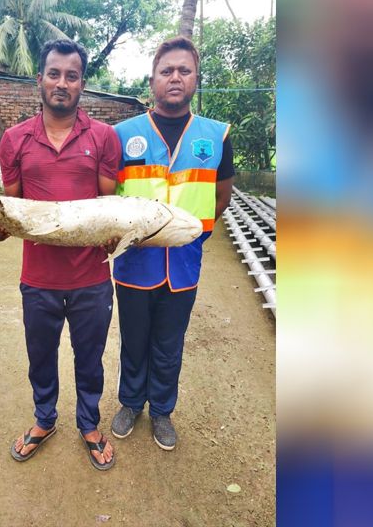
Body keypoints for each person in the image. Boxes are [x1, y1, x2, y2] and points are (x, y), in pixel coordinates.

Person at [0, 39, 122, 471]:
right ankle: (44, 419)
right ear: (39, 79)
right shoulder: (14, 139)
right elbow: (14, 213)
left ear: (82, 84)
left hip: (91, 279)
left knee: (90, 358)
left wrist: (118, 234)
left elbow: (107, 212)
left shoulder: (103, 138)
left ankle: (89, 424)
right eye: (55, 74)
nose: (62, 83)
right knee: (40, 356)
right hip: (38, 278)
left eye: (72, 76)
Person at [109, 37, 235, 450]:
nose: (175, 77)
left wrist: (197, 233)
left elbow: (221, 195)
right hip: (134, 262)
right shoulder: (123, 134)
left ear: (196, 78)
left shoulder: (216, 136)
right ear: (153, 80)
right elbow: (109, 195)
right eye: (167, 71)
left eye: (184, 70)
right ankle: (131, 403)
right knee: (134, 339)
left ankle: (162, 410)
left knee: (169, 343)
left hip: (184, 263)